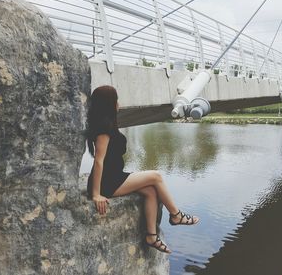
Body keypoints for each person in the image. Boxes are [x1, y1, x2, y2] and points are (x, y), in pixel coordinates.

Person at [85, 85, 199, 254]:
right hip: (107, 183)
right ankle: (176, 215)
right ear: (109, 104)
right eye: (116, 99)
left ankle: (151, 236)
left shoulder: (108, 124)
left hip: (115, 177)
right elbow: (99, 161)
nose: (118, 103)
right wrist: (96, 194)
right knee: (156, 176)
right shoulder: (103, 128)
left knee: (151, 191)